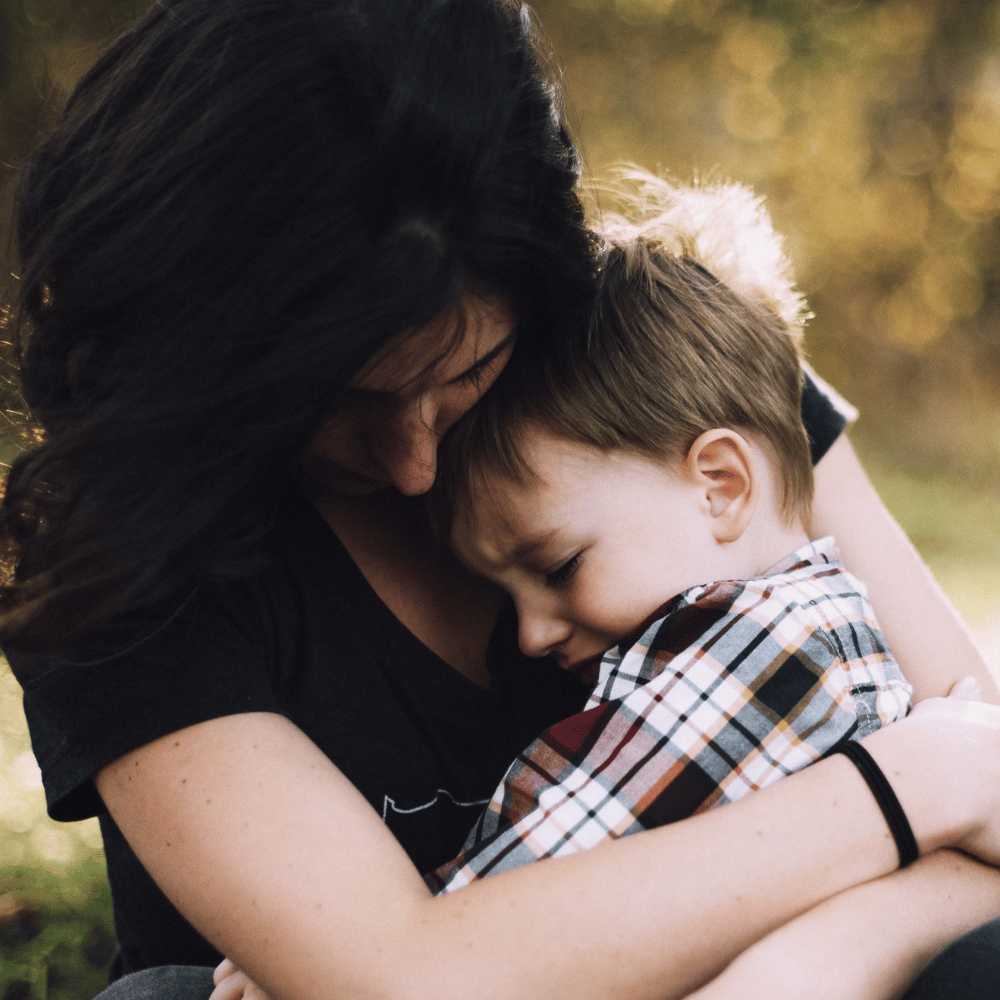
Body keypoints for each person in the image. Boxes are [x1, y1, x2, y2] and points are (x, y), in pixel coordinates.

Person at [1, 2, 999, 999]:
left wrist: (826, 957)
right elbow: (401, 981)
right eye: (340, 402)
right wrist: (913, 785)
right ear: (216, 359)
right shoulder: (109, 553)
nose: (413, 465)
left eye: (466, 370)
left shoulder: (655, 377)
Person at [425, 178, 914, 893]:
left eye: (559, 567)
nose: (530, 635)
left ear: (720, 485)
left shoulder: (771, 648)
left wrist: (333, 959)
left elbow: (540, 881)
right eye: (507, 595)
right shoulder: (796, 634)